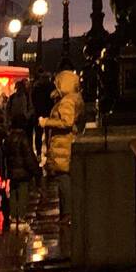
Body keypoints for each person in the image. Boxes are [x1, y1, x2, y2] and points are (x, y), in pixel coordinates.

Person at [38, 68, 83, 224]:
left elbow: (66, 122)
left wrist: (46, 122)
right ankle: (66, 213)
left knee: (63, 180)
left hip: (62, 145)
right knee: (63, 180)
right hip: (62, 145)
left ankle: (67, 213)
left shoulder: (67, 101)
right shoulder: (71, 99)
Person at [4, 121, 41, 228]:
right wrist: (36, 171)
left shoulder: (8, 138)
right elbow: (29, 157)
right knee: (23, 193)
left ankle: (13, 215)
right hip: (23, 173)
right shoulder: (24, 139)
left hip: (12, 172)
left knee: (13, 193)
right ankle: (21, 216)